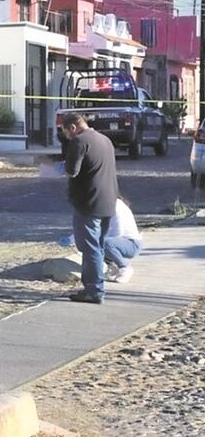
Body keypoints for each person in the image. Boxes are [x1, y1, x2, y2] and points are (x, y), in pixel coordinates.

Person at [62, 112, 119, 304]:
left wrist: (61, 168)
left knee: (90, 247)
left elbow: (72, 171)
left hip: (88, 202)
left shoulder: (79, 142)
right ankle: (94, 286)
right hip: (108, 201)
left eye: (66, 133)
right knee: (98, 246)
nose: (67, 137)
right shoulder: (105, 140)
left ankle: (94, 290)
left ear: (72, 127)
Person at [104, 196, 142, 284]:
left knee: (105, 243)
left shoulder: (117, 206)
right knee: (96, 242)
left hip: (132, 244)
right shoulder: (107, 205)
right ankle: (113, 267)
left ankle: (125, 267)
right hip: (120, 242)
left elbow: (118, 232)